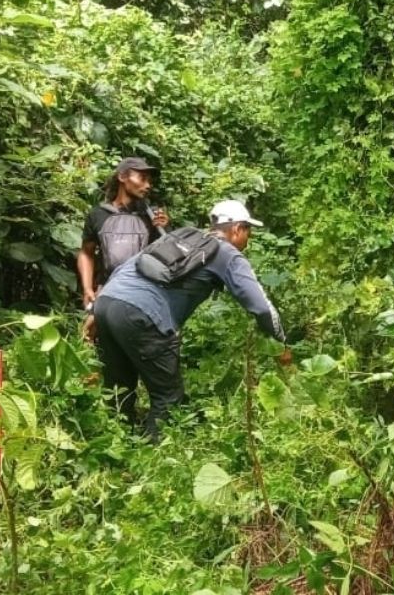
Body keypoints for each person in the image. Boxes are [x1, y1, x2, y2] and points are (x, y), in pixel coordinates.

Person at [88, 200, 288, 441]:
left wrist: (94, 311)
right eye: (249, 231)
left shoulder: (181, 237)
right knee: (168, 398)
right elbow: (262, 308)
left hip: (108, 301)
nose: (249, 238)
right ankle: (152, 461)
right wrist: (282, 344)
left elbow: (127, 267)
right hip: (142, 312)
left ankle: (113, 449)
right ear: (237, 230)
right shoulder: (227, 254)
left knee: (119, 389)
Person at [77, 156, 170, 317]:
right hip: (106, 291)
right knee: (90, 337)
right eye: (142, 178)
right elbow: (86, 253)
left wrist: (164, 229)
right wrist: (87, 289)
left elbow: (168, 258)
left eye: (149, 181)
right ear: (122, 177)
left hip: (143, 294)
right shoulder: (98, 214)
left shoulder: (153, 216)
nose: (147, 185)